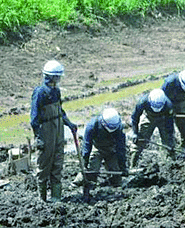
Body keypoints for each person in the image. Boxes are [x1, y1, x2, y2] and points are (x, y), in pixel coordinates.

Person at [30, 60, 77, 202]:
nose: (60, 79)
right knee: (44, 165)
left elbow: (60, 111)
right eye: (58, 76)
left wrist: (69, 123)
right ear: (52, 76)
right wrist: (38, 137)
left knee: (58, 163)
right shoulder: (40, 93)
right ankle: (42, 200)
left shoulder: (56, 91)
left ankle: (56, 198)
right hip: (46, 131)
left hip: (59, 129)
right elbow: (34, 119)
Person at [72, 108, 127, 190]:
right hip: (97, 147)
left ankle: (114, 182)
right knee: (92, 169)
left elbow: (121, 148)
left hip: (111, 148)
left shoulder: (118, 128)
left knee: (115, 172)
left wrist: (123, 167)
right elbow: (87, 145)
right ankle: (78, 182)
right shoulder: (92, 125)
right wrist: (85, 162)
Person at [130, 89, 176, 167]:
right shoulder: (143, 101)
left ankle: (171, 163)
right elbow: (135, 117)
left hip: (163, 118)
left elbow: (169, 122)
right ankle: (133, 165)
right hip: (149, 117)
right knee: (139, 140)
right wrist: (135, 132)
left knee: (169, 141)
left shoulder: (168, 105)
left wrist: (170, 135)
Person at [161, 69, 185, 158]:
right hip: (167, 101)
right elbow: (162, 97)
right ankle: (170, 151)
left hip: (181, 101)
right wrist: (168, 111)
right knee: (168, 128)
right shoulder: (169, 82)